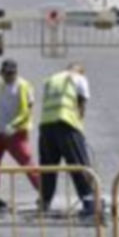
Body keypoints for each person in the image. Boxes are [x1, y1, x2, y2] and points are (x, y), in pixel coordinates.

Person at [38, 62, 97, 217]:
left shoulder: (50, 79)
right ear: (80, 71)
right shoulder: (78, 78)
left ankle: (44, 203)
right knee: (79, 165)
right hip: (66, 124)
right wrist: (79, 127)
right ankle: (89, 202)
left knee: (48, 168)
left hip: (46, 125)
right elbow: (81, 105)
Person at [0, 59, 41, 211]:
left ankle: (45, 192)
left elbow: (26, 110)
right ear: (1, 73)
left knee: (27, 164)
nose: (9, 76)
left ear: (16, 73)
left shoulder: (23, 85)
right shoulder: (0, 85)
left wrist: (13, 126)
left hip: (15, 133)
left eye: (11, 73)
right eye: (6, 73)